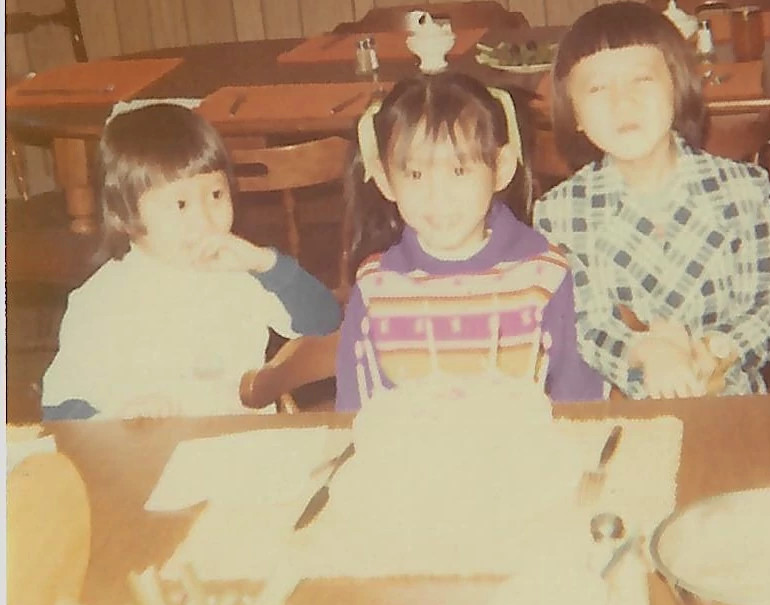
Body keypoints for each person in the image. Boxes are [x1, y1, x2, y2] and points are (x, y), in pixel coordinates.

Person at [533, 0, 770, 399]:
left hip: (730, 397)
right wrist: (645, 352)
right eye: (598, 88)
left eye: (641, 80)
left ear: (677, 88)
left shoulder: (743, 189)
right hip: (627, 403)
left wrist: (717, 351)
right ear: (576, 116)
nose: (623, 103)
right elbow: (583, 325)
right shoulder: (561, 212)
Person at [41, 104, 342, 420]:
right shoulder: (101, 301)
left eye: (215, 195)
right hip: (147, 455)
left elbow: (326, 324)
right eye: (181, 204)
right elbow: (61, 408)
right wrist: (117, 419)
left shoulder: (240, 274)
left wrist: (266, 264)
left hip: (243, 445)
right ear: (125, 215)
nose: (204, 219)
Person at [335, 71, 602, 410]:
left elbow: (580, 406)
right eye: (415, 175)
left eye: (459, 171)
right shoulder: (376, 286)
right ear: (385, 180)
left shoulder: (545, 275)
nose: (438, 195)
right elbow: (355, 415)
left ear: (501, 169)